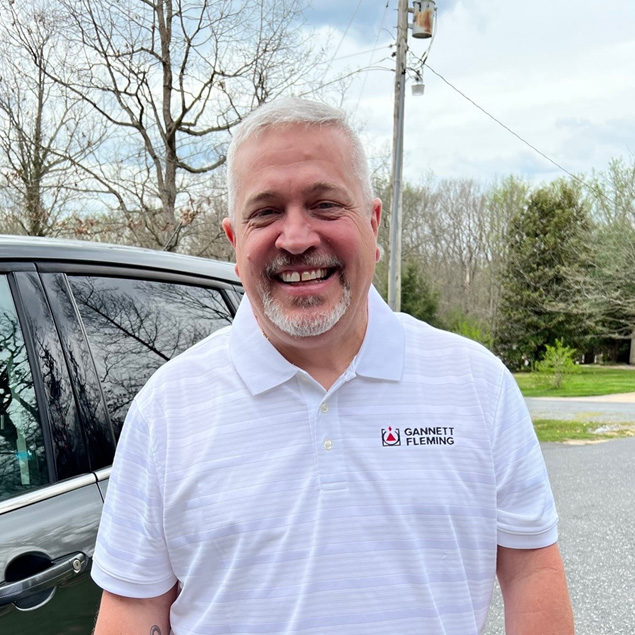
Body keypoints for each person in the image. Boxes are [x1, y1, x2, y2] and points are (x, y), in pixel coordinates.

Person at [92, 98, 574, 635]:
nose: (296, 238)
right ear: (235, 241)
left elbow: (531, 568)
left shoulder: (477, 385)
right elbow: (135, 607)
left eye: (324, 205)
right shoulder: (166, 409)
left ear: (372, 223)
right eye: (266, 212)